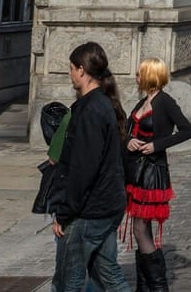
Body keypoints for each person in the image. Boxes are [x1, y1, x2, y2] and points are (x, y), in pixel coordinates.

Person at [52, 42, 129, 292]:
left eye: (71, 68)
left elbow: (83, 169)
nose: (70, 74)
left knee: (67, 281)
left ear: (82, 70)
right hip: (108, 203)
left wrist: (64, 213)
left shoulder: (91, 109)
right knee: (106, 275)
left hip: (89, 210)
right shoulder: (104, 103)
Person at [124, 57, 191, 292]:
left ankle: (157, 286)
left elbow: (187, 130)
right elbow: (127, 129)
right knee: (141, 227)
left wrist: (157, 145)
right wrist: (130, 140)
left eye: (139, 74)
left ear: (150, 76)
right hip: (137, 171)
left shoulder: (166, 102)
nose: (136, 77)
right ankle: (145, 286)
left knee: (139, 228)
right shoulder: (142, 102)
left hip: (153, 171)